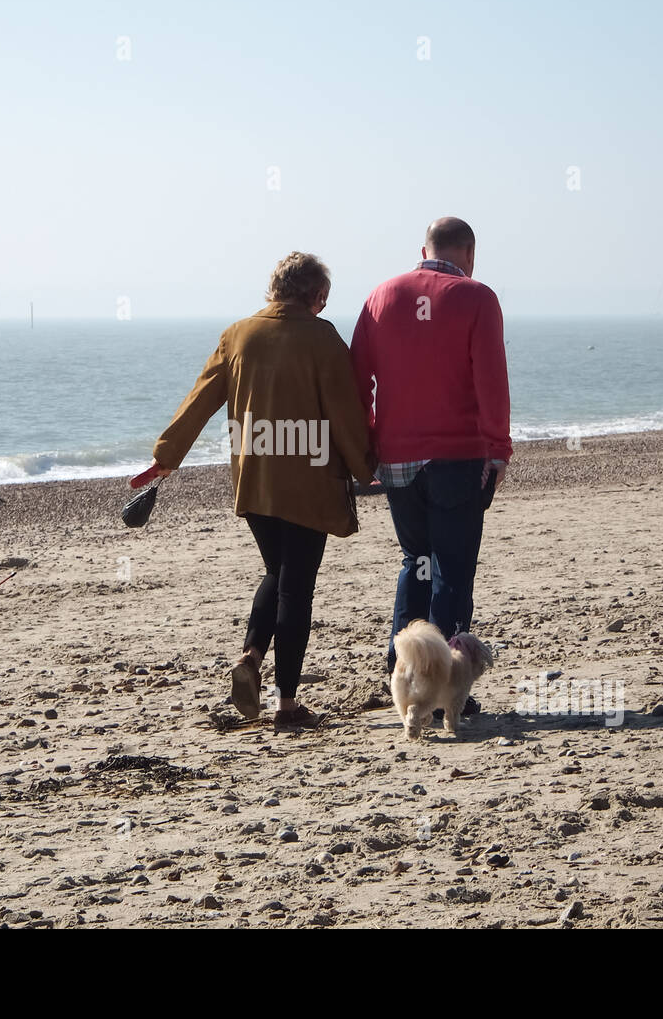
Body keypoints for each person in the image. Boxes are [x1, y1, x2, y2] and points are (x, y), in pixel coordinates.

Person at [141, 252, 374, 729]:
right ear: (316, 296)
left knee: (279, 571)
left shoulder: (237, 334)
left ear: (274, 289)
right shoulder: (322, 337)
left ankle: (250, 657)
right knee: (297, 588)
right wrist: (365, 465)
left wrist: (167, 457)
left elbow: (200, 399)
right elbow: (344, 411)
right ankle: (287, 706)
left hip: (255, 477)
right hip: (309, 479)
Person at [350, 217, 511, 718]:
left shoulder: (381, 296)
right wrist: (498, 448)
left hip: (398, 459)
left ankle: (402, 671)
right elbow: (491, 380)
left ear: (423, 250)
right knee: (452, 568)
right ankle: (444, 681)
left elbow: (359, 380)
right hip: (458, 457)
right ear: (469, 253)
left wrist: (370, 441)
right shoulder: (477, 298)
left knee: (415, 560)